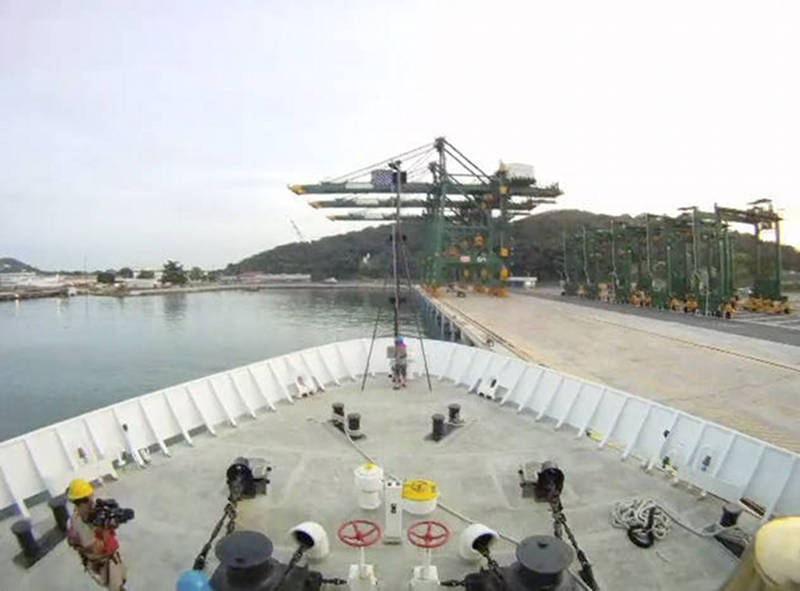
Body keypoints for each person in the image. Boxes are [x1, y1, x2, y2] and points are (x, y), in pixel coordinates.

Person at [66, 478, 128, 591]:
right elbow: (97, 547)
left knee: (120, 581)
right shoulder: (79, 523)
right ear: (77, 502)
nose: (91, 502)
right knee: (116, 587)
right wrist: (104, 529)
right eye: (86, 500)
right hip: (104, 563)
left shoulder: (89, 514)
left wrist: (113, 521)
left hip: (110, 558)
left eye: (90, 497)